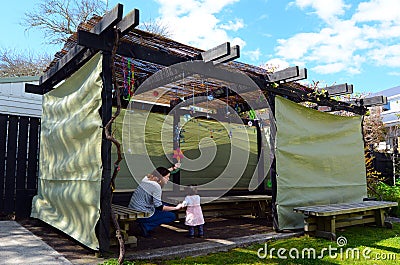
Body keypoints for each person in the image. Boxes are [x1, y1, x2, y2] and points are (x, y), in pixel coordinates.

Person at [128, 163, 182, 237]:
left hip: (133, 209)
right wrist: (176, 208)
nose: (168, 179)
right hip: (142, 214)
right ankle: (146, 226)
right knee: (171, 216)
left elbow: (158, 174)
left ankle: (145, 224)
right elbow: (159, 207)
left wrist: (172, 168)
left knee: (167, 205)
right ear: (160, 178)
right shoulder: (156, 187)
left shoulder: (146, 179)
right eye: (167, 177)